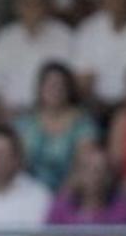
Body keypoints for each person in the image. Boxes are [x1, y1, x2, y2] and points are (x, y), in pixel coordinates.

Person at [35, 144, 126, 236]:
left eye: (100, 170)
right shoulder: (63, 203)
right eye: (87, 169)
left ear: (109, 175)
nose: (94, 176)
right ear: (77, 173)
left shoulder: (120, 205)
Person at [0, 0, 74, 119]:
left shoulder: (65, 37)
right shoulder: (2, 40)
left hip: (52, 116)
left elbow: (72, 88)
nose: (33, 6)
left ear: (48, 4)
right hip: (10, 115)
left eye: (39, 0)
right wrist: (4, 115)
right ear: (17, 5)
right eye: (27, 0)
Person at [14, 62, 98, 191]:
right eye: (50, 84)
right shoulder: (24, 123)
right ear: (40, 88)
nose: (55, 90)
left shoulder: (82, 124)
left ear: (69, 90)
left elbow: (85, 166)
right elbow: (16, 165)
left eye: (60, 85)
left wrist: (62, 199)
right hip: (28, 194)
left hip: (69, 194)